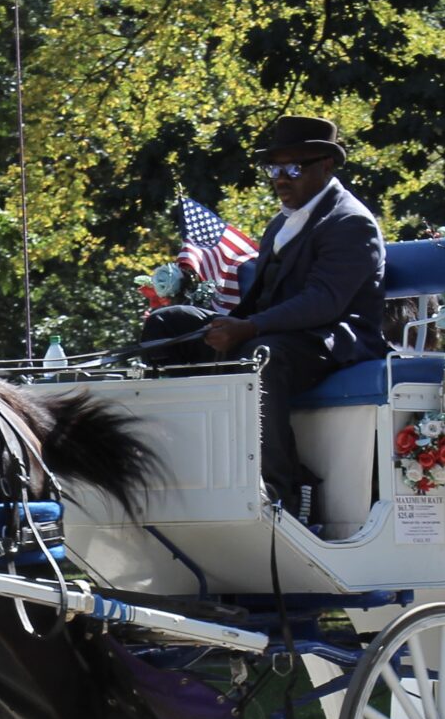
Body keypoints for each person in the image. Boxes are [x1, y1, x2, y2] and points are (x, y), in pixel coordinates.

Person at [139, 115, 387, 521]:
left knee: (259, 354)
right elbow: (259, 298)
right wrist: (220, 325)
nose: (281, 179)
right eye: (274, 168)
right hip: (274, 332)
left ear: (326, 165)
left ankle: (280, 491)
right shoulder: (281, 224)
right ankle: (193, 460)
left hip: (332, 340)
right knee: (168, 326)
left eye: (294, 168)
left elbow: (323, 301)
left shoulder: (349, 221)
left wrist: (248, 328)